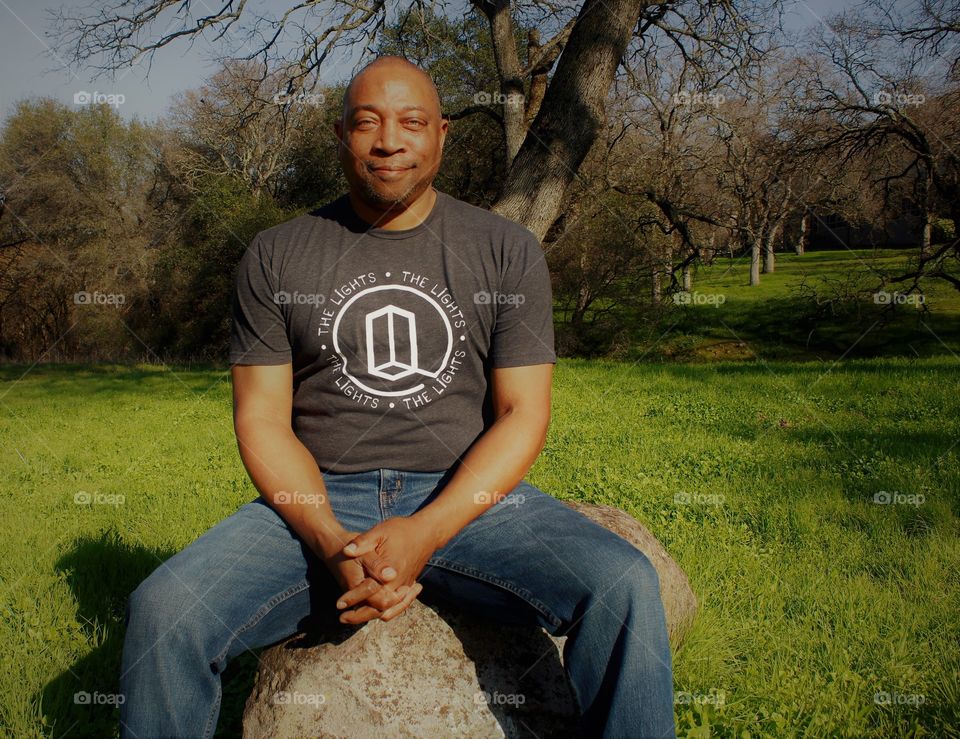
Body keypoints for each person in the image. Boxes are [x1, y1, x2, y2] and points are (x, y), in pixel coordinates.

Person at [119, 55, 675, 739]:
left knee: (622, 585)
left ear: (442, 133)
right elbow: (261, 417)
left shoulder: (505, 250)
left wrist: (426, 530)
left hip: (467, 499)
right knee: (164, 611)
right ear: (340, 136)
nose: (389, 141)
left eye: (411, 122)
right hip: (319, 498)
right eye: (367, 123)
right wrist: (327, 540)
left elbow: (523, 412)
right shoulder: (275, 255)